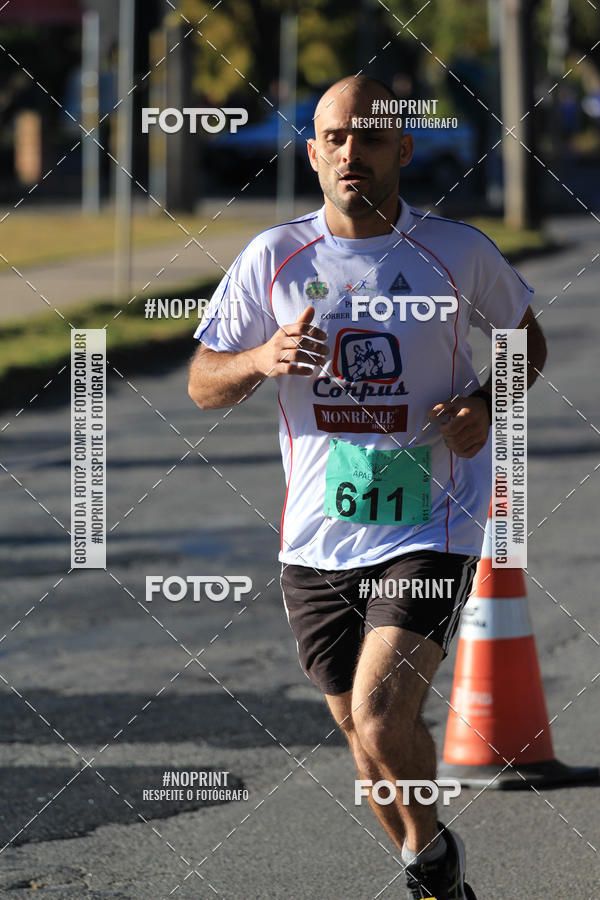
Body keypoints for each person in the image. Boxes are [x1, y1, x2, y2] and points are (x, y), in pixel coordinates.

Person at [188, 75, 547, 899]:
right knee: (360, 732)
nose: (353, 153)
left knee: (383, 717)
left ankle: (429, 862)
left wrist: (484, 404)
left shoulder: (457, 252)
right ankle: (433, 865)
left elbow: (524, 343)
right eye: (335, 139)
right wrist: (260, 358)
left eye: (371, 138)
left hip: (432, 519)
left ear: (403, 149)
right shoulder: (273, 258)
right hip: (316, 536)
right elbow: (204, 383)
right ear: (314, 154)